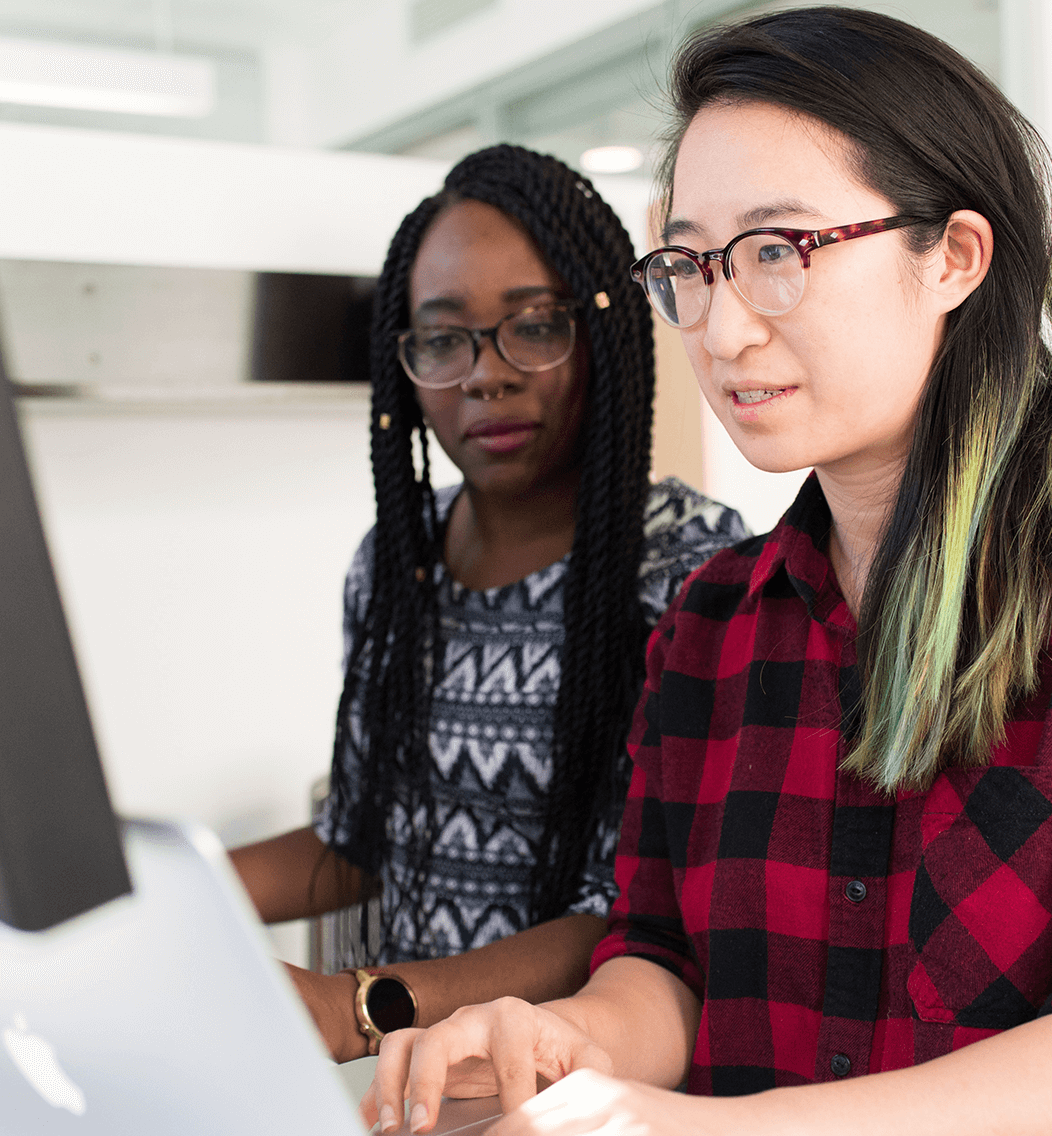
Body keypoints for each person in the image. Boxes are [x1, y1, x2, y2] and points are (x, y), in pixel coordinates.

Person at [362, 8, 1052, 1136]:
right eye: (688, 265)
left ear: (953, 257)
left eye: (777, 248)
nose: (723, 328)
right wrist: (568, 1042)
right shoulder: (715, 619)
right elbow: (665, 960)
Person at [229, 145, 746, 1062]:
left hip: (588, 1090)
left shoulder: (689, 569)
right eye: (443, 338)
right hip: (415, 1094)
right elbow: (360, 834)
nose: (486, 374)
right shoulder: (395, 563)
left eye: (534, 326)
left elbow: (636, 914)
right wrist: (162, 892)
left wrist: (361, 1006)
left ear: (603, 333)